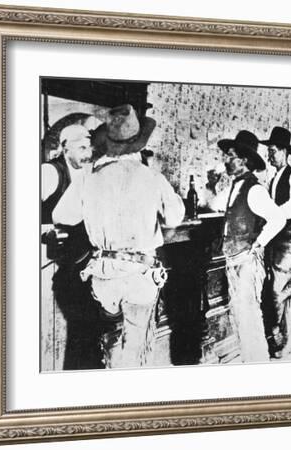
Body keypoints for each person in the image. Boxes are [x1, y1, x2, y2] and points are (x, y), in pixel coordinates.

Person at [53, 104, 185, 368]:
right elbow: (175, 218)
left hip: (104, 276)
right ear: (138, 145)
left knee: (111, 337)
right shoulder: (152, 178)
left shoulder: (89, 178)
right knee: (136, 341)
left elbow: (62, 216)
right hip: (140, 275)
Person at [41, 117, 107, 370]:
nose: (87, 153)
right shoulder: (49, 172)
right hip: (49, 262)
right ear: (65, 147)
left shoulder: (89, 176)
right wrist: (46, 230)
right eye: (81, 148)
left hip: (77, 265)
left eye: (89, 148)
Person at [218, 130, 286, 363]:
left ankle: (257, 366)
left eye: (230, 155)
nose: (225, 160)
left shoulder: (254, 189)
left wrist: (258, 243)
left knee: (249, 318)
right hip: (234, 261)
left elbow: (278, 219)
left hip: (246, 263)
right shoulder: (234, 187)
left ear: (244, 160)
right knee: (240, 316)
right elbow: (217, 206)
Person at [260, 126, 291, 358]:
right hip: (276, 239)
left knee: (278, 289)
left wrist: (273, 213)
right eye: (269, 151)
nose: (269, 156)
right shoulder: (273, 177)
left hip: (290, 238)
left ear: (283, 151)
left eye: (272, 151)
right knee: (284, 289)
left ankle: (277, 333)